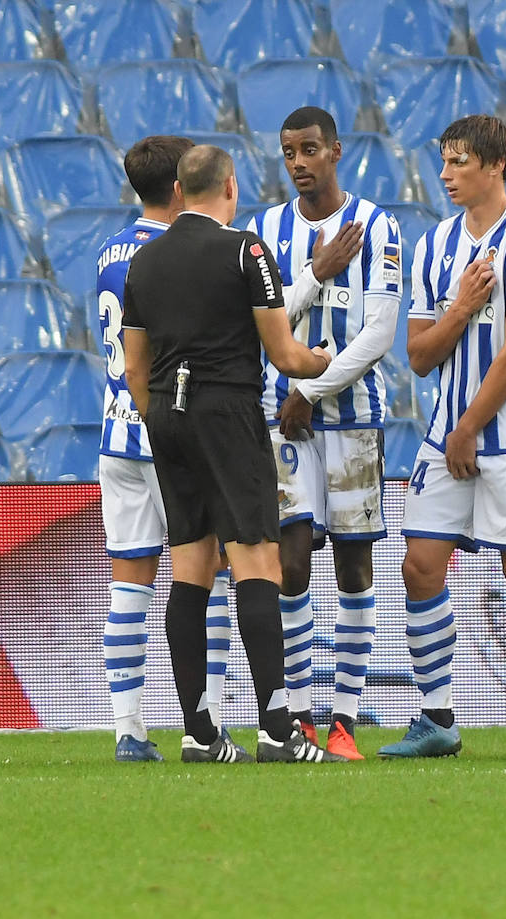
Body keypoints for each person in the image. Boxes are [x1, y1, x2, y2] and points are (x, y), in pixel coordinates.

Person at [122, 144, 346, 764]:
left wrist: (164, 414)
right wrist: (328, 361)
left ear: (177, 191)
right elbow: (285, 355)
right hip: (226, 411)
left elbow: (134, 367)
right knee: (257, 561)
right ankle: (277, 729)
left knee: (190, 567)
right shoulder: (245, 249)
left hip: (166, 414)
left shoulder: (145, 260)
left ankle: (199, 732)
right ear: (229, 186)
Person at [379, 114, 506, 762]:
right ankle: (437, 716)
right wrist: (459, 307)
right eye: (444, 161)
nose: (446, 173)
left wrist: (468, 427)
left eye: (459, 162)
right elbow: (419, 356)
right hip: (447, 433)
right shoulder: (433, 246)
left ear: (495, 167)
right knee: (419, 565)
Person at [244, 107, 401, 761]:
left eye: (310, 149)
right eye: (288, 152)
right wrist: (315, 271)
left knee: (355, 563)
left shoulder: (380, 227)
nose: (299, 161)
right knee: (292, 561)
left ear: (336, 150)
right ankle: (301, 715)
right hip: (282, 422)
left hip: (353, 419)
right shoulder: (262, 233)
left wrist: (312, 390)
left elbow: (380, 332)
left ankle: (345, 718)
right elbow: (261, 320)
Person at [96, 134, 245, 764]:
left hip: (115, 431)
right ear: (180, 187)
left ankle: (129, 729)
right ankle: (199, 723)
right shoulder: (181, 252)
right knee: (201, 574)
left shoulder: (110, 251)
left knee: (128, 583)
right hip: (170, 429)